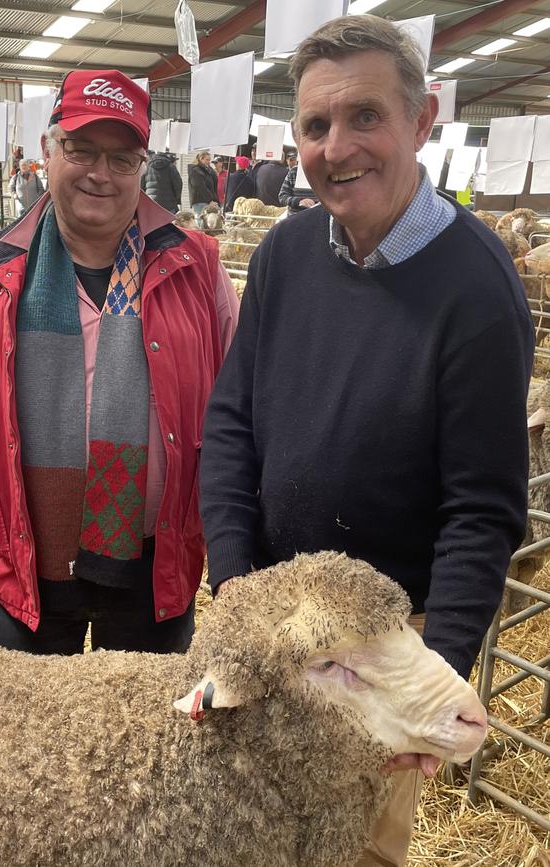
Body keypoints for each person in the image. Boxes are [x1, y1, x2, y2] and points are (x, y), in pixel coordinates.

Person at [199, 15, 533, 867]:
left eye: (366, 117)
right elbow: (232, 422)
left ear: (421, 122)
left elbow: (480, 508)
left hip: (384, 643)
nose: (335, 146)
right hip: (274, 616)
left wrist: (437, 674)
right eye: (315, 125)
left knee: (354, 845)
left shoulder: (478, 288)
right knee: (248, 834)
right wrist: (239, 596)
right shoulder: (282, 254)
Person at [0, 67, 239, 658]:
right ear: (48, 149)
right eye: (81, 149)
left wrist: (234, 546)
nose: (100, 172)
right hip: (26, 559)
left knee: (146, 741)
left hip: (155, 560)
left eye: (123, 158)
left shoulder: (197, 267)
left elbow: (239, 412)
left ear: (143, 166)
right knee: (28, 738)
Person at [188, 151, 218, 218]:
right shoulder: (195, 170)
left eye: (209, 160)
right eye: (207, 160)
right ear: (201, 159)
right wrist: (210, 200)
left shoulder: (207, 170)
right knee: (200, 221)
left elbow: (213, 185)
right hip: (200, 201)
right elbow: (200, 187)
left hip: (207, 201)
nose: (209, 162)